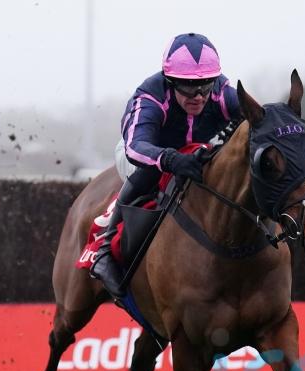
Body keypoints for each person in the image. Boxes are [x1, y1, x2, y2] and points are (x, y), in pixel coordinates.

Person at [90, 33, 241, 299]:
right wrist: (171, 160)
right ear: (170, 81)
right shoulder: (150, 96)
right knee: (149, 171)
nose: (198, 95)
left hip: (193, 151)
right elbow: (136, 147)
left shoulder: (222, 92)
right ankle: (104, 251)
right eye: (188, 86)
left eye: (205, 85)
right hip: (143, 154)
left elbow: (258, 118)